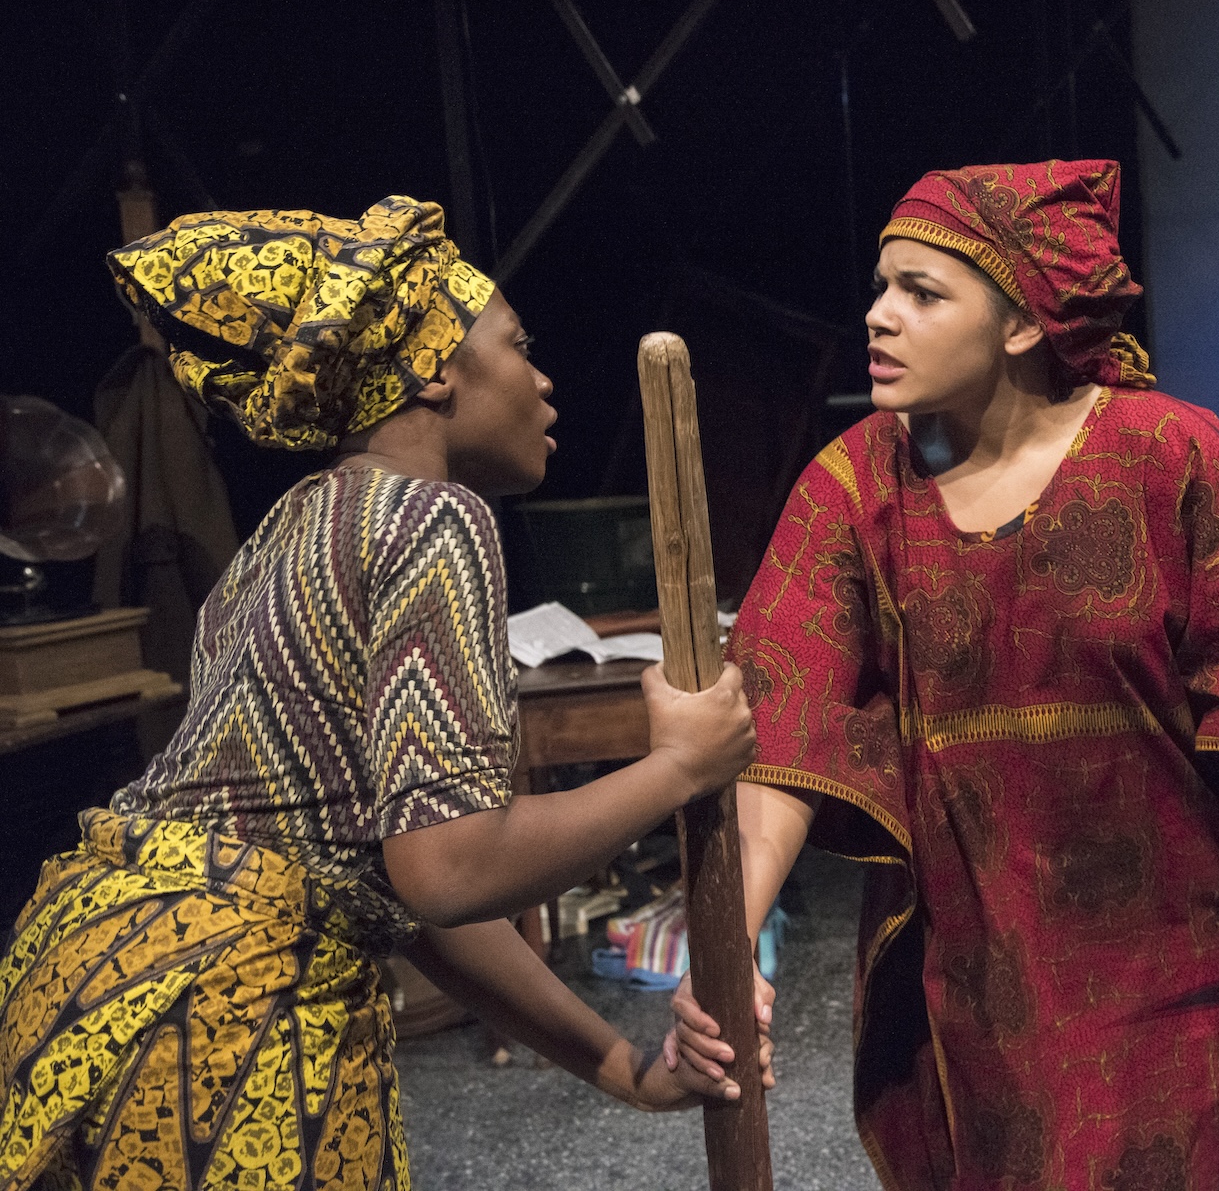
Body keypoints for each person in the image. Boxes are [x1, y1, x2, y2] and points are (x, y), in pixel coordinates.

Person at [669, 161, 1219, 1190]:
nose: (878, 317)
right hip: (982, 963)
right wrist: (728, 950)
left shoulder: (1166, 453)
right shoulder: (854, 488)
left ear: (1023, 323)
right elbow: (782, 721)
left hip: (1176, 957)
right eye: (879, 286)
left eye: (921, 291)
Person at [0, 196, 763, 1191]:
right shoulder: (433, 517)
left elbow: (404, 896)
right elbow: (451, 871)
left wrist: (624, 1072)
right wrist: (677, 767)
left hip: (94, 985)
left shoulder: (282, 536)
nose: (543, 382)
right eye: (518, 346)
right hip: (225, 1031)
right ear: (437, 369)